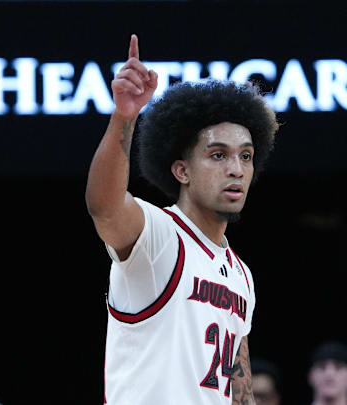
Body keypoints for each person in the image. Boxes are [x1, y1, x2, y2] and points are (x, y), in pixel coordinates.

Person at [86, 35, 278, 404]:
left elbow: (240, 391)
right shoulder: (160, 236)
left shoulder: (241, 274)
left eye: (246, 156)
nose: (236, 169)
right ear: (182, 171)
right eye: (218, 155)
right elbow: (104, 206)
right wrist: (124, 117)